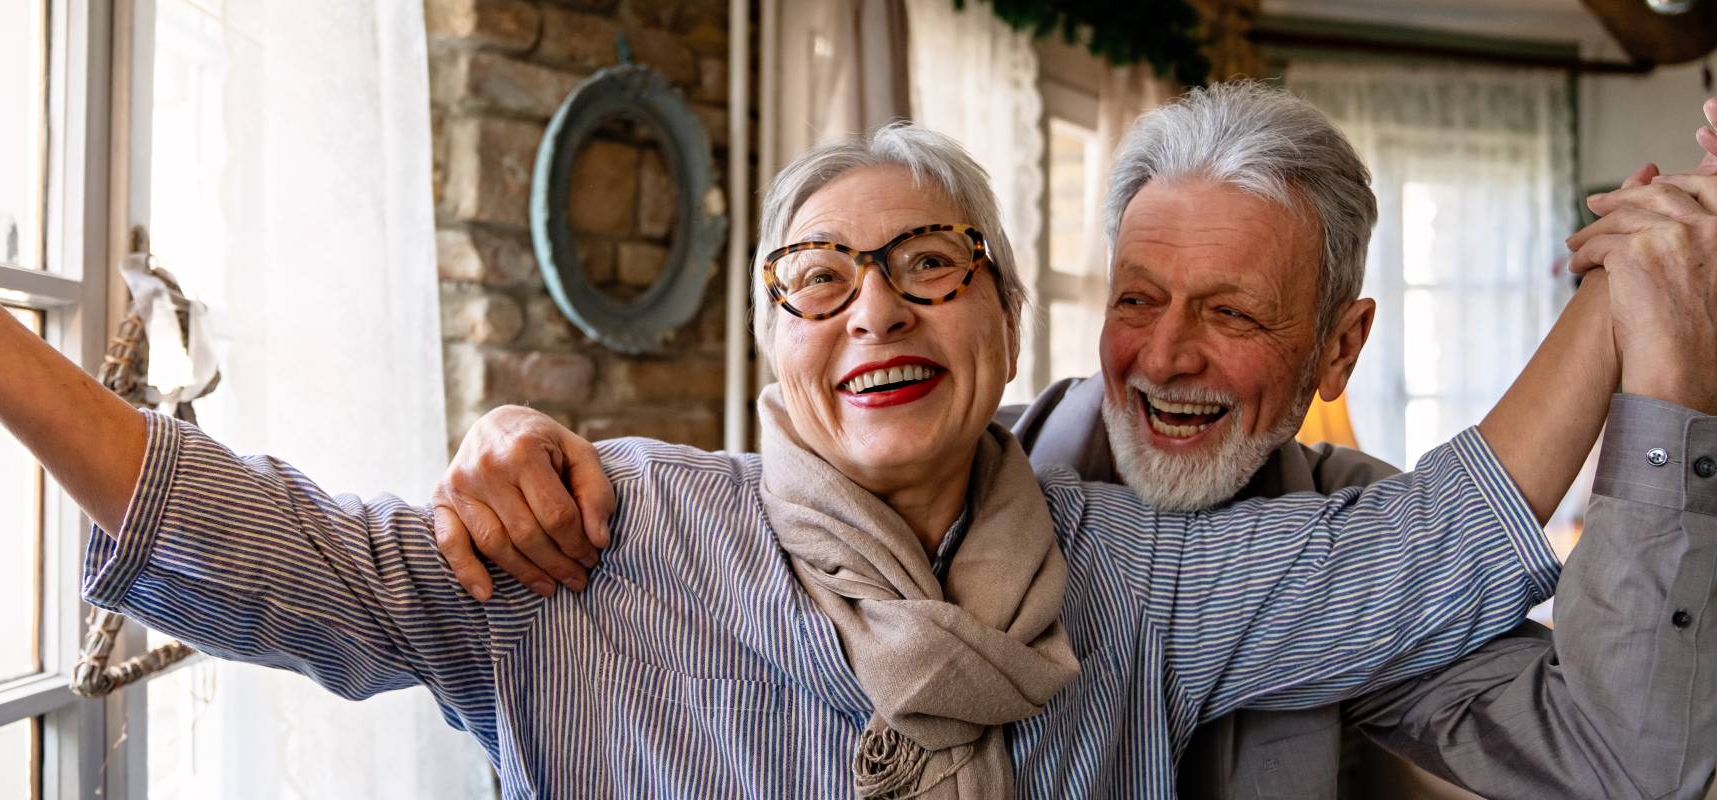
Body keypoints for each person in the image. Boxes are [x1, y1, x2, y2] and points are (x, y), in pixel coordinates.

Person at [0, 119, 1700, 797]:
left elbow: (1437, 541)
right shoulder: (603, 534)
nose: (877, 309)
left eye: (930, 264)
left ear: (1000, 318)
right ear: (769, 351)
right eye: (819, 277)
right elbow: (295, 561)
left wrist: (1647, 293)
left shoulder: (1136, 564)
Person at [432, 86, 1717, 797]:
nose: (1163, 356)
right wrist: (512, 440)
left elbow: (1626, 755)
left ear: (1337, 348)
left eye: (1231, 315)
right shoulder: (922, 487)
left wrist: (1661, 361)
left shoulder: (1364, 547)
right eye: (1137, 300)